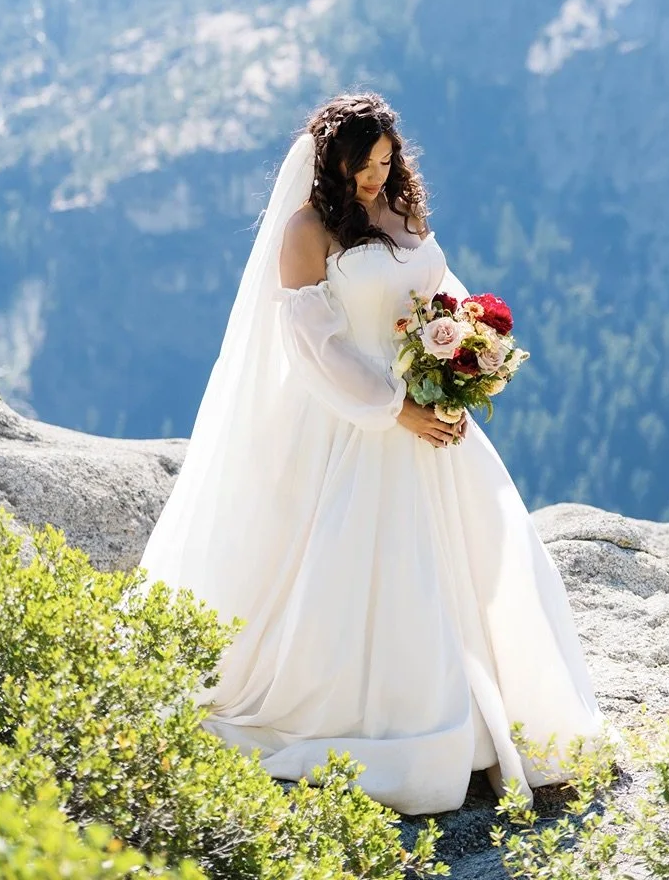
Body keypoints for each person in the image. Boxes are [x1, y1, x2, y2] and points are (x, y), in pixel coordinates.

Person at [139, 91, 605, 816]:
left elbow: (436, 295)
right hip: (351, 417)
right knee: (371, 565)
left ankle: (487, 710)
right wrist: (396, 410)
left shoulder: (403, 208)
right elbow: (313, 347)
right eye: (362, 166)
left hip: (430, 410)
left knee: (472, 559)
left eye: (386, 162)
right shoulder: (307, 230)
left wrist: (466, 356)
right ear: (329, 162)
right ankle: (392, 727)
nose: (375, 178)